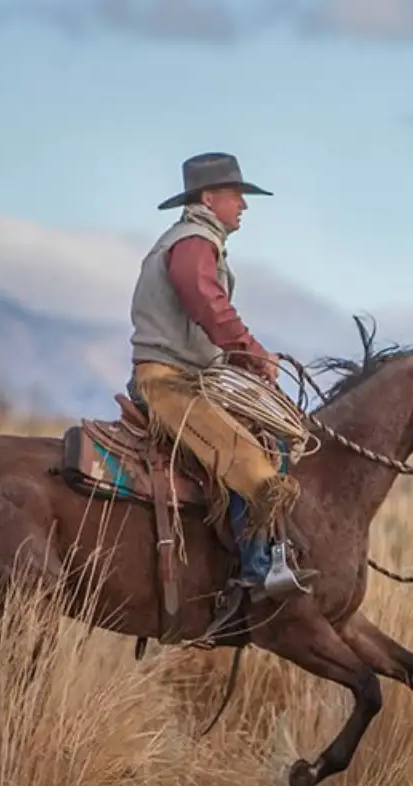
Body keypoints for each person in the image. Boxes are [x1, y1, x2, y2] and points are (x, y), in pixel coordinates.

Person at [125, 151, 313, 628]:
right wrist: (250, 351)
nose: (244, 207)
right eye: (237, 197)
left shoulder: (197, 240)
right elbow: (204, 301)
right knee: (243, 455)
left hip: (191, 376)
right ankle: (257, 572)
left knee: (273, 436)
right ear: (210, 199)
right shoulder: (192, 242)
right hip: (168, 381)